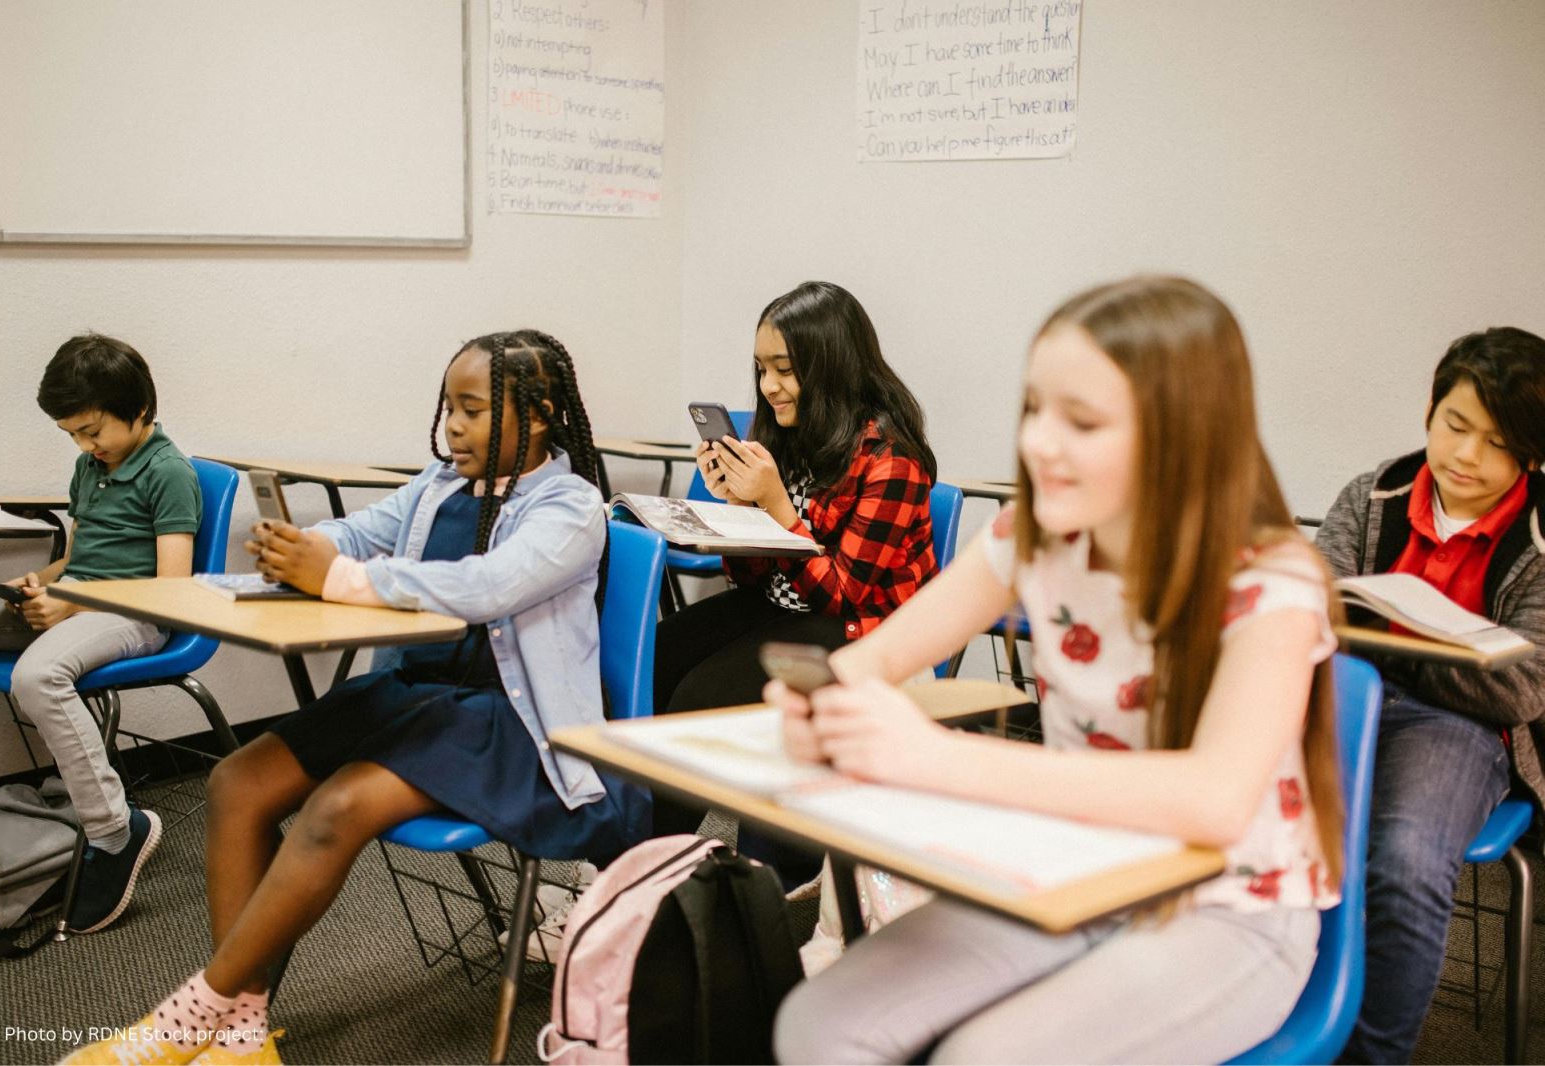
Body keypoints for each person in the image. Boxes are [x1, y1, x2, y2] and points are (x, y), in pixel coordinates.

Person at [772, 276, 1344, 1064]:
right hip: (1079, 871)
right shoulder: (1033, 534)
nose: (1040, 442)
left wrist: (938, 758)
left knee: (982, 1058)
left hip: (1233, 909)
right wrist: (824, 702)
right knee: (818, 1024)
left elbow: (1213, 800)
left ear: (1181, 434)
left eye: (1082, 421)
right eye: (1036, 409)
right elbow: (874, 657)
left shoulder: (1272, 580)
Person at [64, 330, 645, 1065]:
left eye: (472, 410)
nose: (452, 428)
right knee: (236, 782)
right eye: (449, 408)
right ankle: (242, 1036)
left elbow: (488, 586)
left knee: (337, 805)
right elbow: (358, 533)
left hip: (513, 725)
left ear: (536, 416)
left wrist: (335, 576)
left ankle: (193, 1014)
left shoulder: (570, 507)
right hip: (419, 696)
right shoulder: (439, 486)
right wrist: (304, 548)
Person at [650, 281, 939, 882]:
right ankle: (632, 861)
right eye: (761, 369)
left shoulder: (892, 460)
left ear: (830, 367)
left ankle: (648, 880)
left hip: (864, 631)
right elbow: (753, 576)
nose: (768, 387)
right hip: (788, 611)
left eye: (785, 369)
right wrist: (737, 508)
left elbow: (844, 595)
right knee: (657, 657)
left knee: (692, 703)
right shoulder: (787, 435)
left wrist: (779, 509)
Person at [1317, 327, 1545, 1064]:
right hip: (1347, 697)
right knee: (1243, 813)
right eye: (1455, 425)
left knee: (1406, 861)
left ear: (1532, 454)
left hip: (1464, 727)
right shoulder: (1376, 493)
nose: (1467, 456)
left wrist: (1395, 655)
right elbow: (1315, 614)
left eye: (1499, 442)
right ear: (1429, 409)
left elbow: (1519, 687)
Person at [0, 333, 200, 932]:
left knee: (38, 675)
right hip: (76, 603)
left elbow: (171, 589)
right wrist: (40, 581)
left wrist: (73, 606)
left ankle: (117, 830)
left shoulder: (170, 473)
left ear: (138, 410)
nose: (85, 447)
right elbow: (79, 558)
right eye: (73, 437)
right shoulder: (90, 466)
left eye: (92, 431)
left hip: (138, 616)